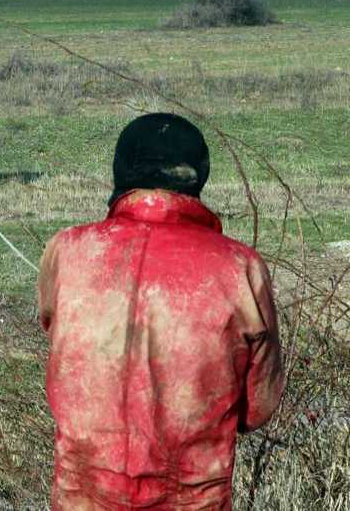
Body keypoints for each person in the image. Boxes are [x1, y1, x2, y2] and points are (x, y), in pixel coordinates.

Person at [37, 113, 284, 510]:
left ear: (121, 174)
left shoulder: (67, 251)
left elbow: (57, 341)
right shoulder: (240, 268)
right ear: (198, 177)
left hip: (83, 497)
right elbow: (258, 407)